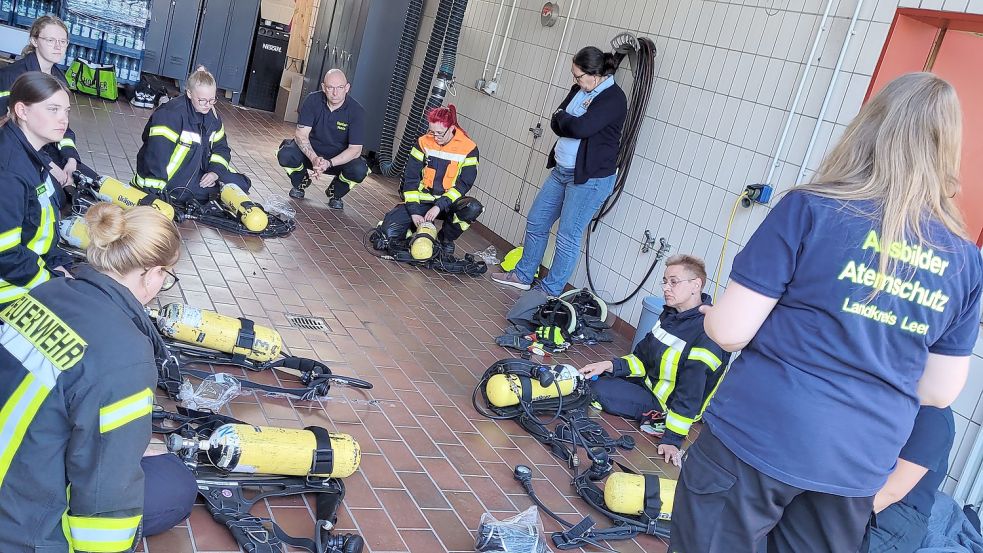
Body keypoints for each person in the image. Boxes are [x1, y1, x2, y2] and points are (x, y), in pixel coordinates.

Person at [671, 72, 983, 553]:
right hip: (856, 466)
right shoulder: (965, 259)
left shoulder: (810, 208)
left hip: (759, 436)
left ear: (869, 127)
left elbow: (728, 330)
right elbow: (938, 390)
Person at [0, 201, 198, 551]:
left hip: (18, 463)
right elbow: (107, 490)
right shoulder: (127, 357)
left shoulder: (42, 293)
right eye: (166, 276)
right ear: (152, 272)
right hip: (23, 526)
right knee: (177, 483)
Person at [491, 46, 626, 295]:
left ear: (594, 75)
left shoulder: (613, 99)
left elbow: (581, 128)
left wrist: (567, 121)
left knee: (567, 236)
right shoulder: (579, 90)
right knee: (537, 220)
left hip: (589, 178)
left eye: (578, 76)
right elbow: (556, 119)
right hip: (561, 171)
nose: (575, 81)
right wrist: (567, 122)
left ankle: (549, 290)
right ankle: (522, 274)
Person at [579, 255, 729, 467]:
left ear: (696, 285)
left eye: (674, 282)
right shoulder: (671, 315)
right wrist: (609, 365)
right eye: (665, 281)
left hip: (665, 405)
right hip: (649, 384)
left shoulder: (707, 333)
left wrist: (673, 439)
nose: (666, 288)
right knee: (594, 377)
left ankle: (658, 423)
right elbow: (642, 357)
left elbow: (691, 393)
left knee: (595, 389)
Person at [0, 72, 74, 306]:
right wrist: (53, 282)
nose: (63, 119)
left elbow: (39, 230)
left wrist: (58, 263)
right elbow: (5, 254)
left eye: (66, 111)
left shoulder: (31, 154)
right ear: (22, 111)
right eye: (53, 109)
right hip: (11, 291)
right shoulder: (9, 171)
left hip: (31, 270)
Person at [372, 104, 482, 257]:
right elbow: (410, 180)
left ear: (451, 129)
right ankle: (414, 232)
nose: (435, 137)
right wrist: (414, 212)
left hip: (449, 202)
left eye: (440, 133)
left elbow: (464, 184)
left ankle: (445, 240)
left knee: (473, 207)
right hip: (423, 200)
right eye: (432, 132)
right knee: (388, 233)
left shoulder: (469, 148)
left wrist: (439, 206)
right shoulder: (423, 142)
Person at [133, 66, 252, 204]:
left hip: (196, 172)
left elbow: (222, 148)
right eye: (202, 100)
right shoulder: (170, 115)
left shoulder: (212, 118)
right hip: (171, 181)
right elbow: (156, 156)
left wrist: (215, 173)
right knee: (220, 192)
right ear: (189, 93)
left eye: (212, 100)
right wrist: (154, 194)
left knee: (242, 183)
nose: (208, 105)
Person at [0, 15, 88, 197]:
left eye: (63, 41)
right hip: (21, 155)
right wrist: (48, 165)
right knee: (60, 197)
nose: (58, 46)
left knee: (90, 186)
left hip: (51, 151)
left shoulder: (59, 78)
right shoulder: (12, 77)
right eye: (50, 40)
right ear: (34, 40)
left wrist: (71, 159)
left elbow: (64, 126)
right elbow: (10, 132)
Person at [864, 406, 955, 552]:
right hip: (867, 494)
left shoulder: (934, 417)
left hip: (898, 513)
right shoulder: (896, 399)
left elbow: (890, 493)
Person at [277, 68, 368, 208]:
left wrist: (329, 163)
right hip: (311, 155)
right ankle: (301, 181)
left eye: (340, 87)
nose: (335, 93)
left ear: (347, 88)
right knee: (286, 154)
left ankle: (335, 193)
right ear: (324, 87)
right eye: (330, 87)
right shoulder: (312, 100)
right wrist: (314, 158)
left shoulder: (357, 111)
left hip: (338, 160)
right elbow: (301, 136)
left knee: (359, 169)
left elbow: (355, 150)